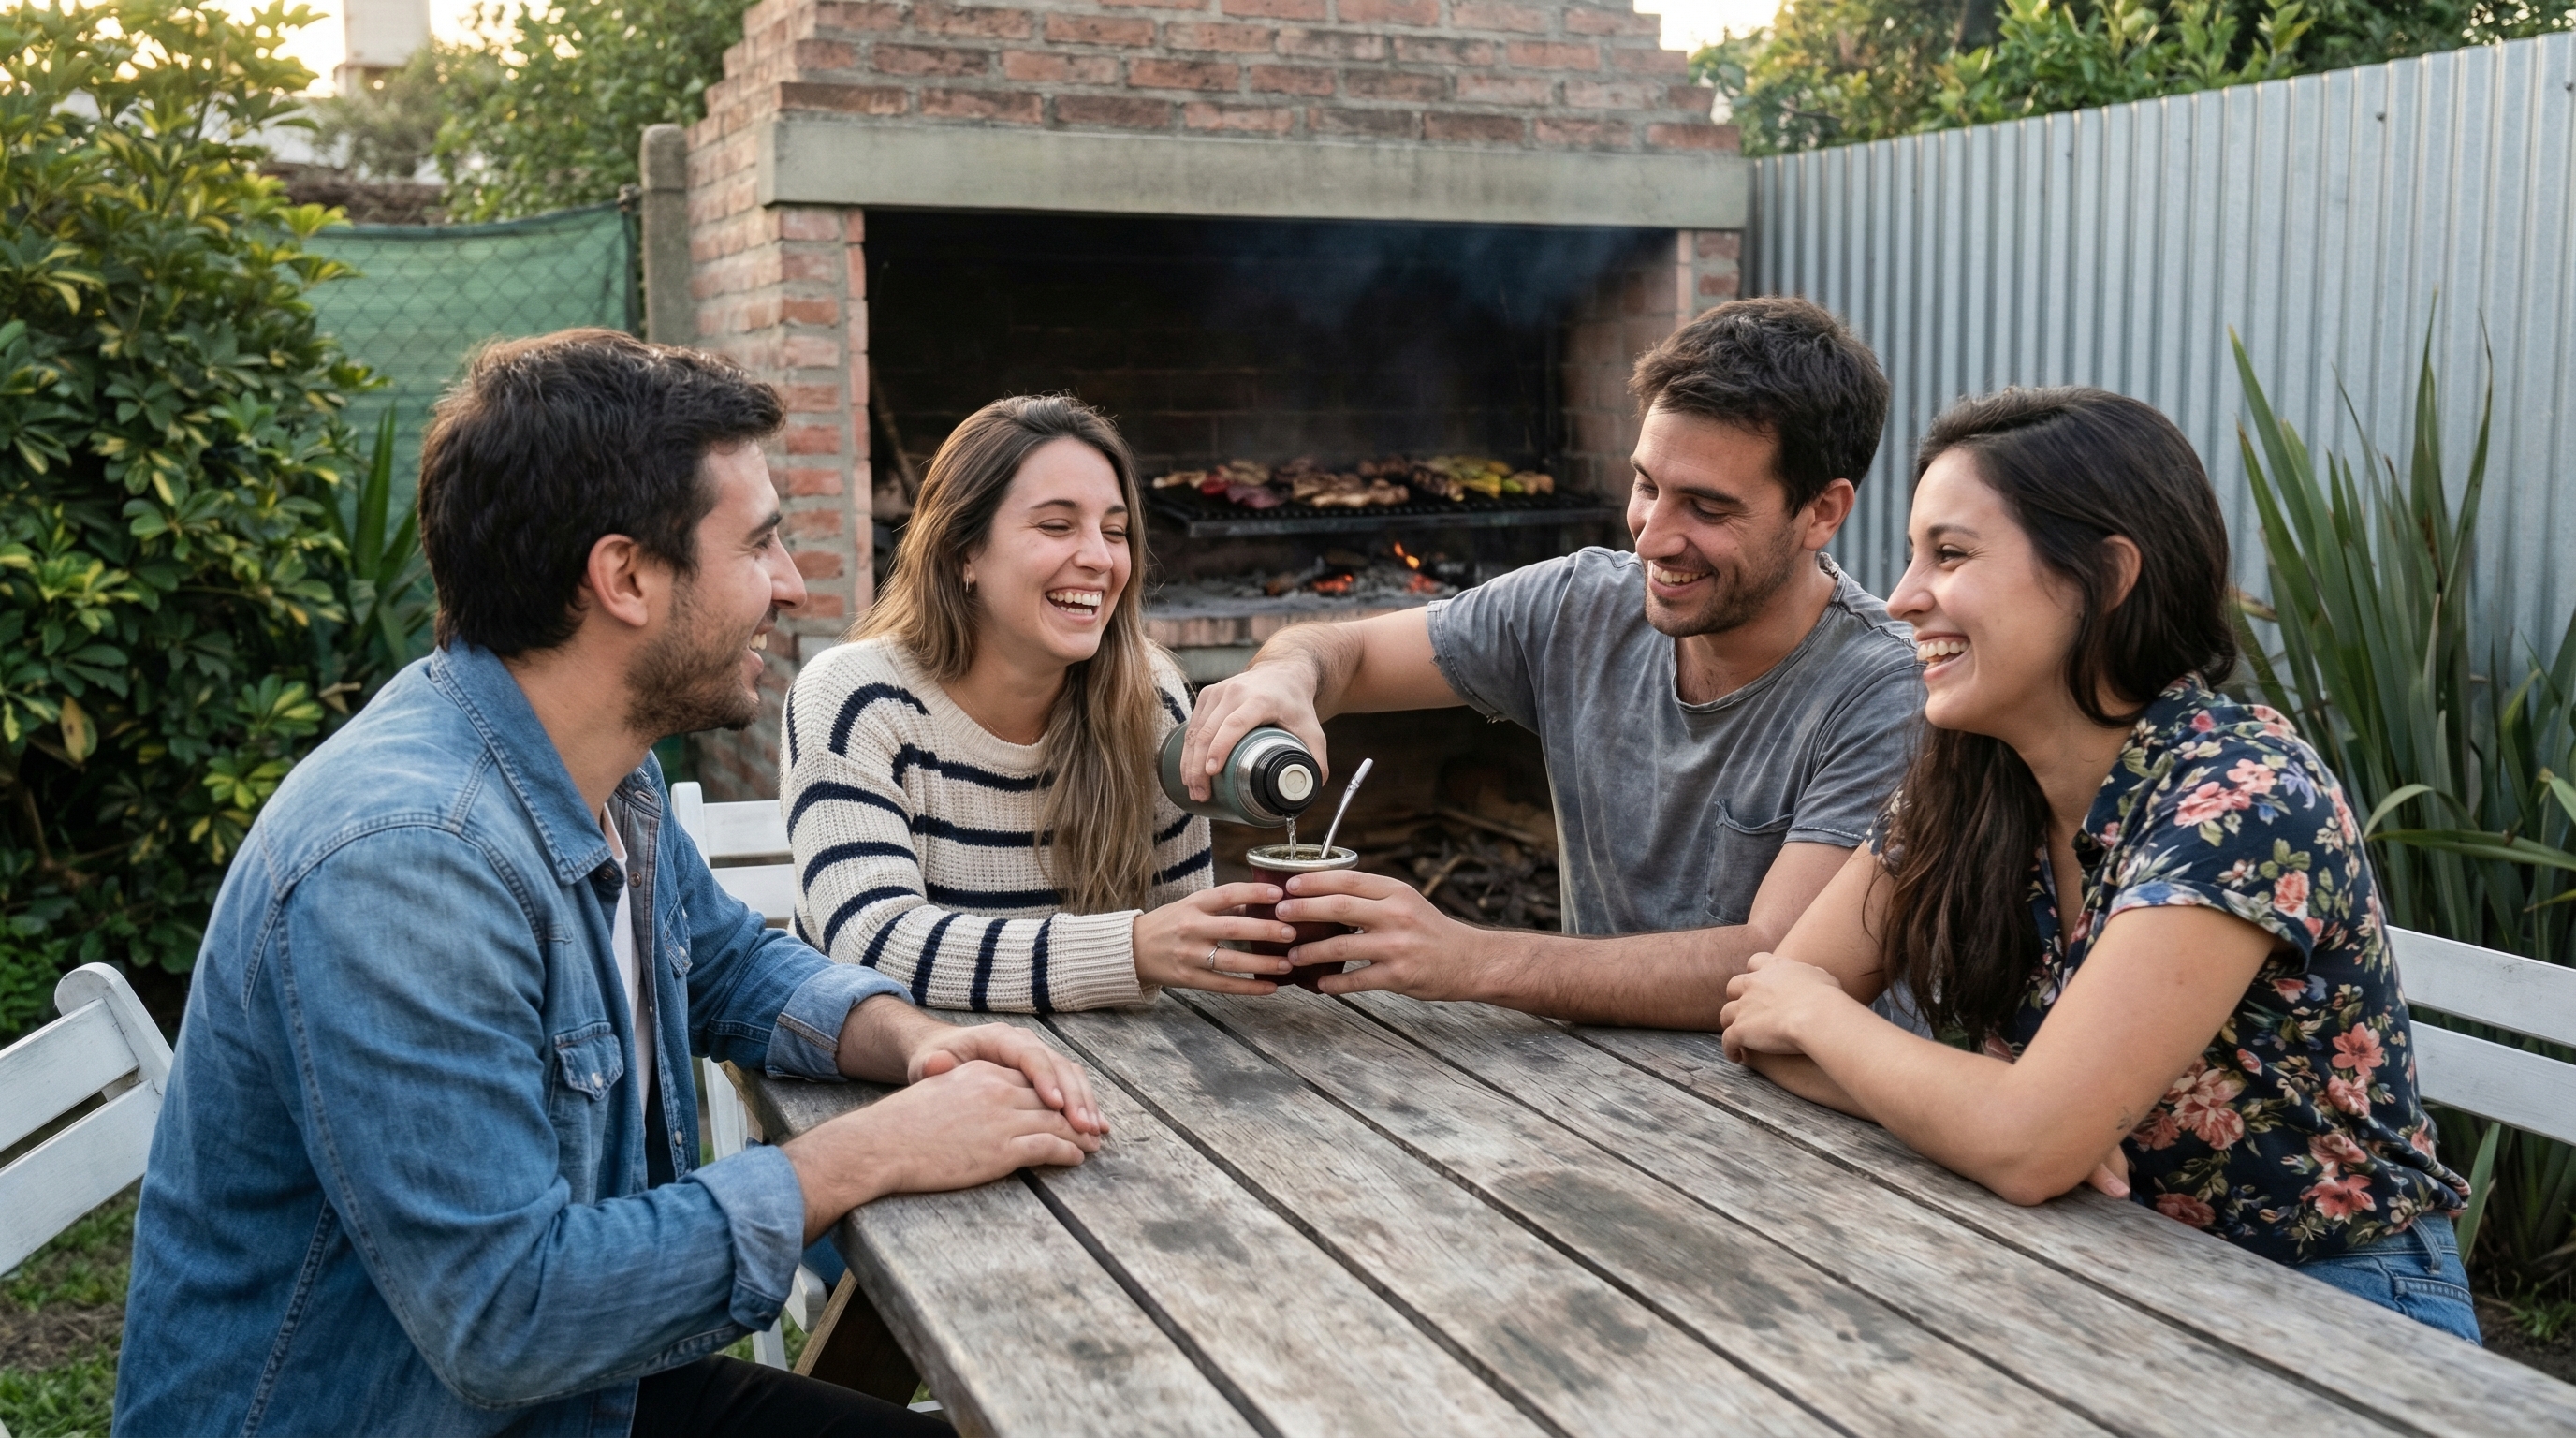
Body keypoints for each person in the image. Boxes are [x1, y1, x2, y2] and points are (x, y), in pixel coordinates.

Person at [115, 331, 1112, 1438]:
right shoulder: (408, 863)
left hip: (582, 1395)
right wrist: (878, 1148)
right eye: (760, 544)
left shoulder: (596, 767)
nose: (792, 585)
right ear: (625, 577)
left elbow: (725, 961)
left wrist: (914, 1042)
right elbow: (509, 1319)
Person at [1716, 387, 2479, 1340]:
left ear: (2107, 576)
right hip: (2093, 1261)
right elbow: (1762, 1026)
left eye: (1949, 554)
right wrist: (1991, 1118)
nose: (1904, 596)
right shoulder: (1967, 783)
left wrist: (1999, 1114)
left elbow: (2003, 1133)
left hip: (2334, 1300)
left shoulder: (2242, 795)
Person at [1180, 297, 1921, 1027]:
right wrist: (1287, 674)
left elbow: (1782, 962)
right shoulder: (1578, 603)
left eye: (1707, 507)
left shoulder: (1890, 688)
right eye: (1646, 485)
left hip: (1797, 1098)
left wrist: (1472, 959)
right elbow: (1352, 651)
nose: (1651, 538)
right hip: (1588, 1075)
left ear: (1822, 512)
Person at [780, 395, 1300, 1010]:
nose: (1100, 558)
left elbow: (1180, 952)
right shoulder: (855, 698)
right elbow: (872, 943)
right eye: (1057, 526)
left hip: (1109, 1061)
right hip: (897, 1063)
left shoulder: (1150, 699)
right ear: (962, 551)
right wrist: (1130, 950)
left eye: (1115, 532)